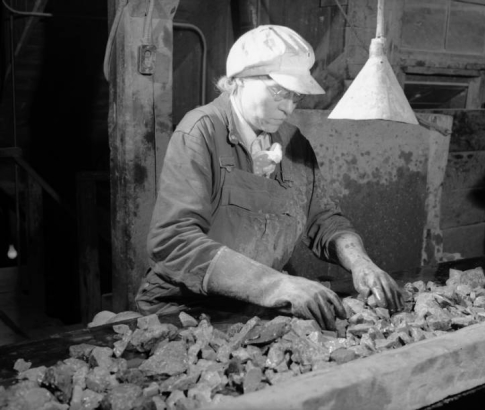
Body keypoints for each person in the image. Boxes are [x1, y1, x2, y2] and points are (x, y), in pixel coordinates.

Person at [135, 25, 404, 330]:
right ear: (239, 82)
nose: (288, 108)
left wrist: (361, 263)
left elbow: (325, 220)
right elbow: (174, 240)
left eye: (296, 97)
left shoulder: (293, 141)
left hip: (254, 305)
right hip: (185, 305)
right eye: (279, 92)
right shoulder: (200, 131)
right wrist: (279, 286)